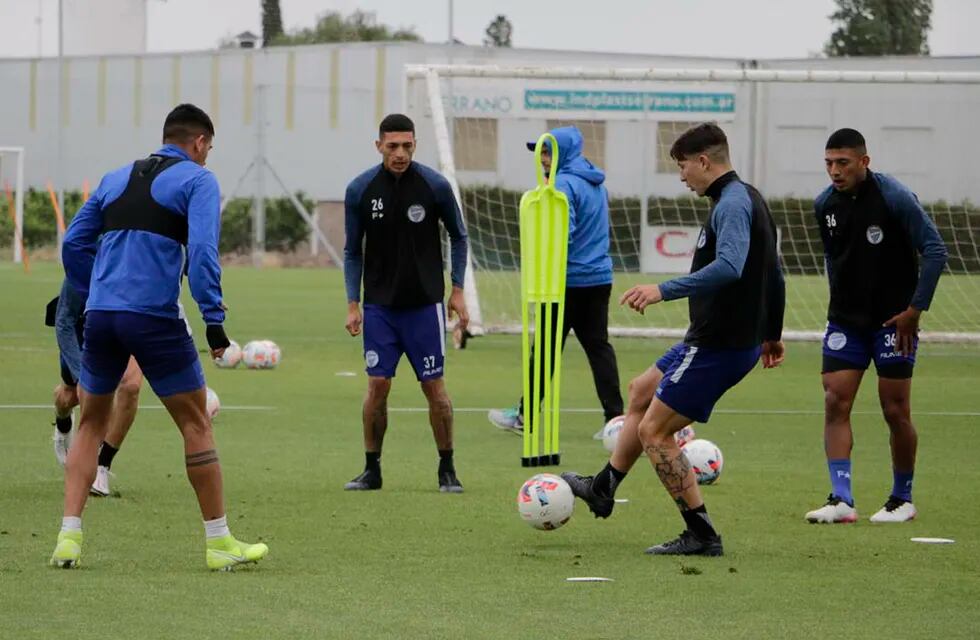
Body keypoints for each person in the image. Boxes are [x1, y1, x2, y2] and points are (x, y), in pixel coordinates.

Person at [51, 103, 268, 571]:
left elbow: (72, 244)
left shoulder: (114, 178)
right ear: (201, 143)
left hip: (102, 316)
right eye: (209, 149)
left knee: (90, 422)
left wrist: (96, 291)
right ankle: (218, 542)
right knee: (195, 423)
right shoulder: (197, 180)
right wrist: (213, 320)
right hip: (153, 317)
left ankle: (68, 537)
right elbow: (205, 252)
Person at [561, 123, 785, 557]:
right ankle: (603, 488)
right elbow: (774, 274)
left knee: (655, 433)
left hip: (719, 345)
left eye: (683, 166)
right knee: (641, 390)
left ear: (704, 161)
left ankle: (701, 534)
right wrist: (772, 334)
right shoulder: (747, 197)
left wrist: (661, 289)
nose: (682, 176)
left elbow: (730, 267)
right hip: (713, 338)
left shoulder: (733, 205)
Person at [805, 128, 947, 524]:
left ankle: (902, 499)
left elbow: (935, 250)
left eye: (843, 163)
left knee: (895, 409)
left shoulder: (894, 197)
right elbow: (835, 259)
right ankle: (841, 499)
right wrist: (840, 306)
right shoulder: (824, 204)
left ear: (864, 162)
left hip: (893, 322)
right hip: (847, 322)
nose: (834, 171)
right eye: (829, 163)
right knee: (835, 401)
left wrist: (915, 311)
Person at [343, 113, 469, 493]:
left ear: (415, 144)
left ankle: (447, 468)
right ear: (379, 145)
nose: (400, 153)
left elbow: (459, 237)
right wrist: (353, 303)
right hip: (380, 307)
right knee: (378, 385)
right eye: (393, 146)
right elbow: (352, 252)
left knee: (434, 388)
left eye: (407, 146)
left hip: (424, 307)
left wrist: (457, 289)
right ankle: (371, 469)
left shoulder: (435, 186)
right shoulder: (360, 190)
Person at [487, 126, 624, 437]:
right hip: (598, 278)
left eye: (547, 152)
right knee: (598, 348)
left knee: (546, 351)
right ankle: (616, 420)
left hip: (567, 281)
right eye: (541, 152)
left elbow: (561, 233)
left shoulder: (561, 183)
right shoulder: (594, 181)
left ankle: (525, 417)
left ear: (563, 152)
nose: (543, 158)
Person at [48, 278, 142, 497]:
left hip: (126, 322)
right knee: (70, 397)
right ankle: (63, 424)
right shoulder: (85, 257)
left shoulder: (135, 255)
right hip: (83, 327)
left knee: (131, 385)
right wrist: (84, 378)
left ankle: (102, 464)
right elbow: (63, 322)